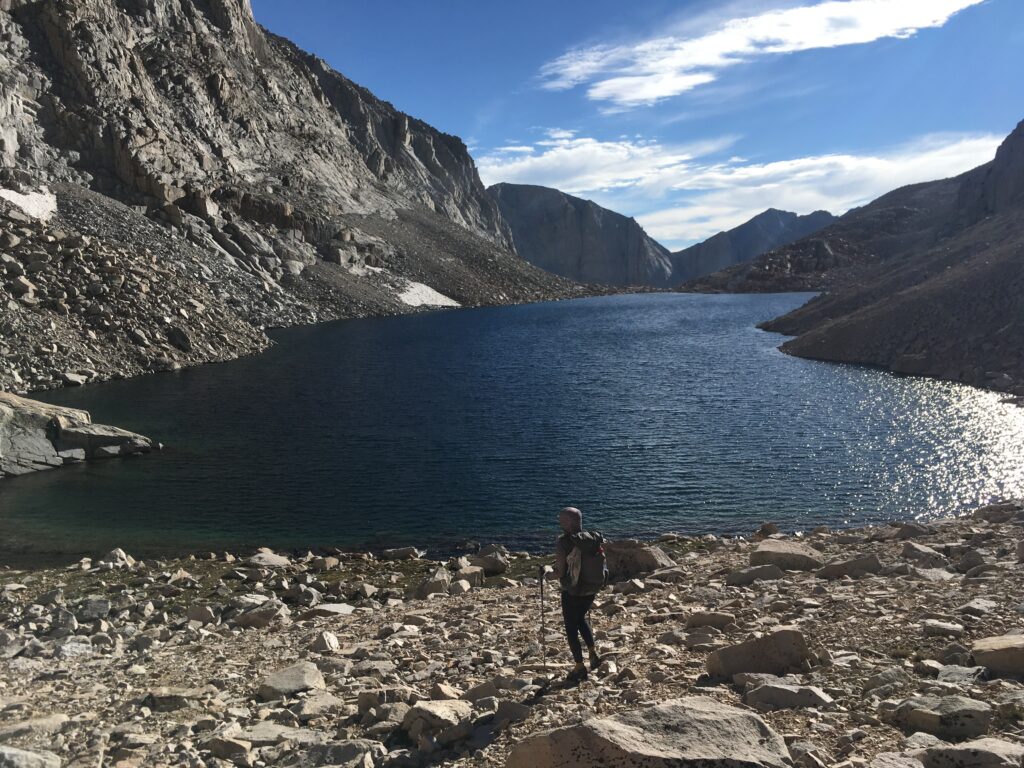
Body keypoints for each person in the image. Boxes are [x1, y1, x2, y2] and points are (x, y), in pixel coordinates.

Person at [553, 506, 603, 682]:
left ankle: (579, 667)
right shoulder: (592, 539)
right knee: (581, 618)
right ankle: (593, 653)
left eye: (562, 520)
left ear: (569, 522)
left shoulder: (564, 542)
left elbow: (560, 572)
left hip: (572, 591)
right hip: (591, 588)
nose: (559, 522)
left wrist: (546, 574)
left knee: (571, 628)